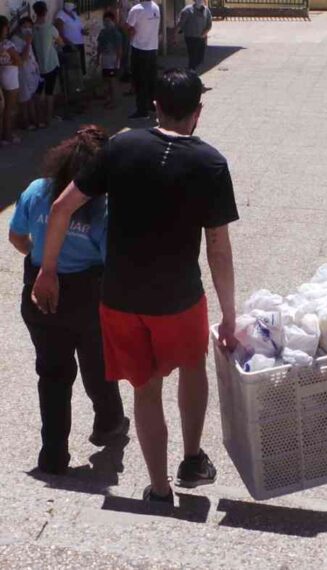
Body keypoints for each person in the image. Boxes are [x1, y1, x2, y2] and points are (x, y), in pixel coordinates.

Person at [32, 69, 239, 504]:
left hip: (121, 297)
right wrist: (229, 314)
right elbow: (217, 246)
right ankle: (193, 458)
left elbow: (61, 207)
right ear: (197, 113)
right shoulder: (211, 164)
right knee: (192, 368)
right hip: (180, 297)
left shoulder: (121, 146)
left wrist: (48, 270)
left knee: (145, 388)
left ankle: (159, 488)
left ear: (156, 107)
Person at [8, 126, 129, 475]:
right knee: (97, 363)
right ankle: (107, 423)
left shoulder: (36, 191)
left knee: (52, 371)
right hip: (86, 292)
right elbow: (111, 259)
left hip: (39, 289)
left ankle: (53, 454)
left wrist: (45, 259)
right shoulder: (103, 206)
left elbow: (17, 237)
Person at [126, 0, 161, 119]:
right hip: (153, 48)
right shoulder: (156, 7)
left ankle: (142, 110)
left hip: (139, 48)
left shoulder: (136, 9)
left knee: (140, 80)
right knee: (151, 79)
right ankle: (151, 104)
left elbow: (129, 28)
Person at [32, 1, 64, 128]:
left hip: (38, 66)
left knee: (38, 93)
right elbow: (60, 42)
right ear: (45, 11)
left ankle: (38, 119)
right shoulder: (50, 27)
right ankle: (48, 119)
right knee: (50, 92)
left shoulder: (32, 29)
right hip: (51, 64)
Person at [11, 17, 42, 131]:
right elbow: (22, 59)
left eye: (29, 27)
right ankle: (26, 122)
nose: (28, 29)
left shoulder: (27, 38)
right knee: (24, 98)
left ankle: (34, 120)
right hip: (23, 72)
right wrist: (28, 43)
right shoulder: (15, 40)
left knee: (32, 96)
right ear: (20, 27)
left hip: (32, 71)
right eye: (25, 27)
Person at [0, 16, 21, 145]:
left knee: (4, 108)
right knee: (9, 108)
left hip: (2, 74)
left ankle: (5, 135)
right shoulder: (7, 44)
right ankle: (8, 136)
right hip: (11, 76)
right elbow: (19, 61)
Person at [177, 0, 212, 73]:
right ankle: (191, 73)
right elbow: (180, 23)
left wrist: (204, 33)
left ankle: (191, 71)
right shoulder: (188, 10)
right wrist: (175, 34)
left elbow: (209, 24)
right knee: (193, 57)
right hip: (191, 37)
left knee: (200, 59)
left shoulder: (206, 10)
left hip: (201, 38)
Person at [97, 11, 123, 109]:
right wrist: (97, 59)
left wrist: (117, 62)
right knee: (106, 80)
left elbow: (119, 49)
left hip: (113, 60)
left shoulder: (116, 34)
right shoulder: (102, 32)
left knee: (112, 81)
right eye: (105, 21)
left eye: (108, 20)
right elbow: (99, 47)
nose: (106, 22)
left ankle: (113, 101)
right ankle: (108, 99)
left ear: (113, 21)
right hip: (105, 60)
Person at [55, 0, 88, 76]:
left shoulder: (74, 14)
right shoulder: (60, 15)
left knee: (80, 65)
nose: (72, 3)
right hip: (70, 45)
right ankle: (74, 85)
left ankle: (80, 83)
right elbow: (60, 34)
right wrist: (69, 43)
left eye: (73, 2)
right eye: (70, 1)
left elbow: (79, 28)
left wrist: (84, 31)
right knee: (73, 67)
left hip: (80, 43)